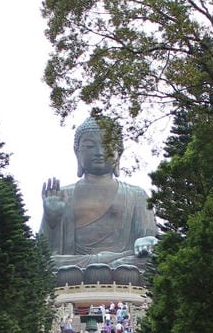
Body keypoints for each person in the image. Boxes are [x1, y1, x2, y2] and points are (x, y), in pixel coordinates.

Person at [40, 116, 158, 274]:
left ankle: (108, 269)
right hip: (75, 265)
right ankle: (106, 270)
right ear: (77, 152)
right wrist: (51, 219)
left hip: (123, 262)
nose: (99, 152)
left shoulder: (136, 194)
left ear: (119, 153)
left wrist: (147, 241)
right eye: (89, 146)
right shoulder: (62, 195)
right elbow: (43, 252)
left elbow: (151, 240)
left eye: (107, 146)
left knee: (150, 261)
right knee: (45, 263)